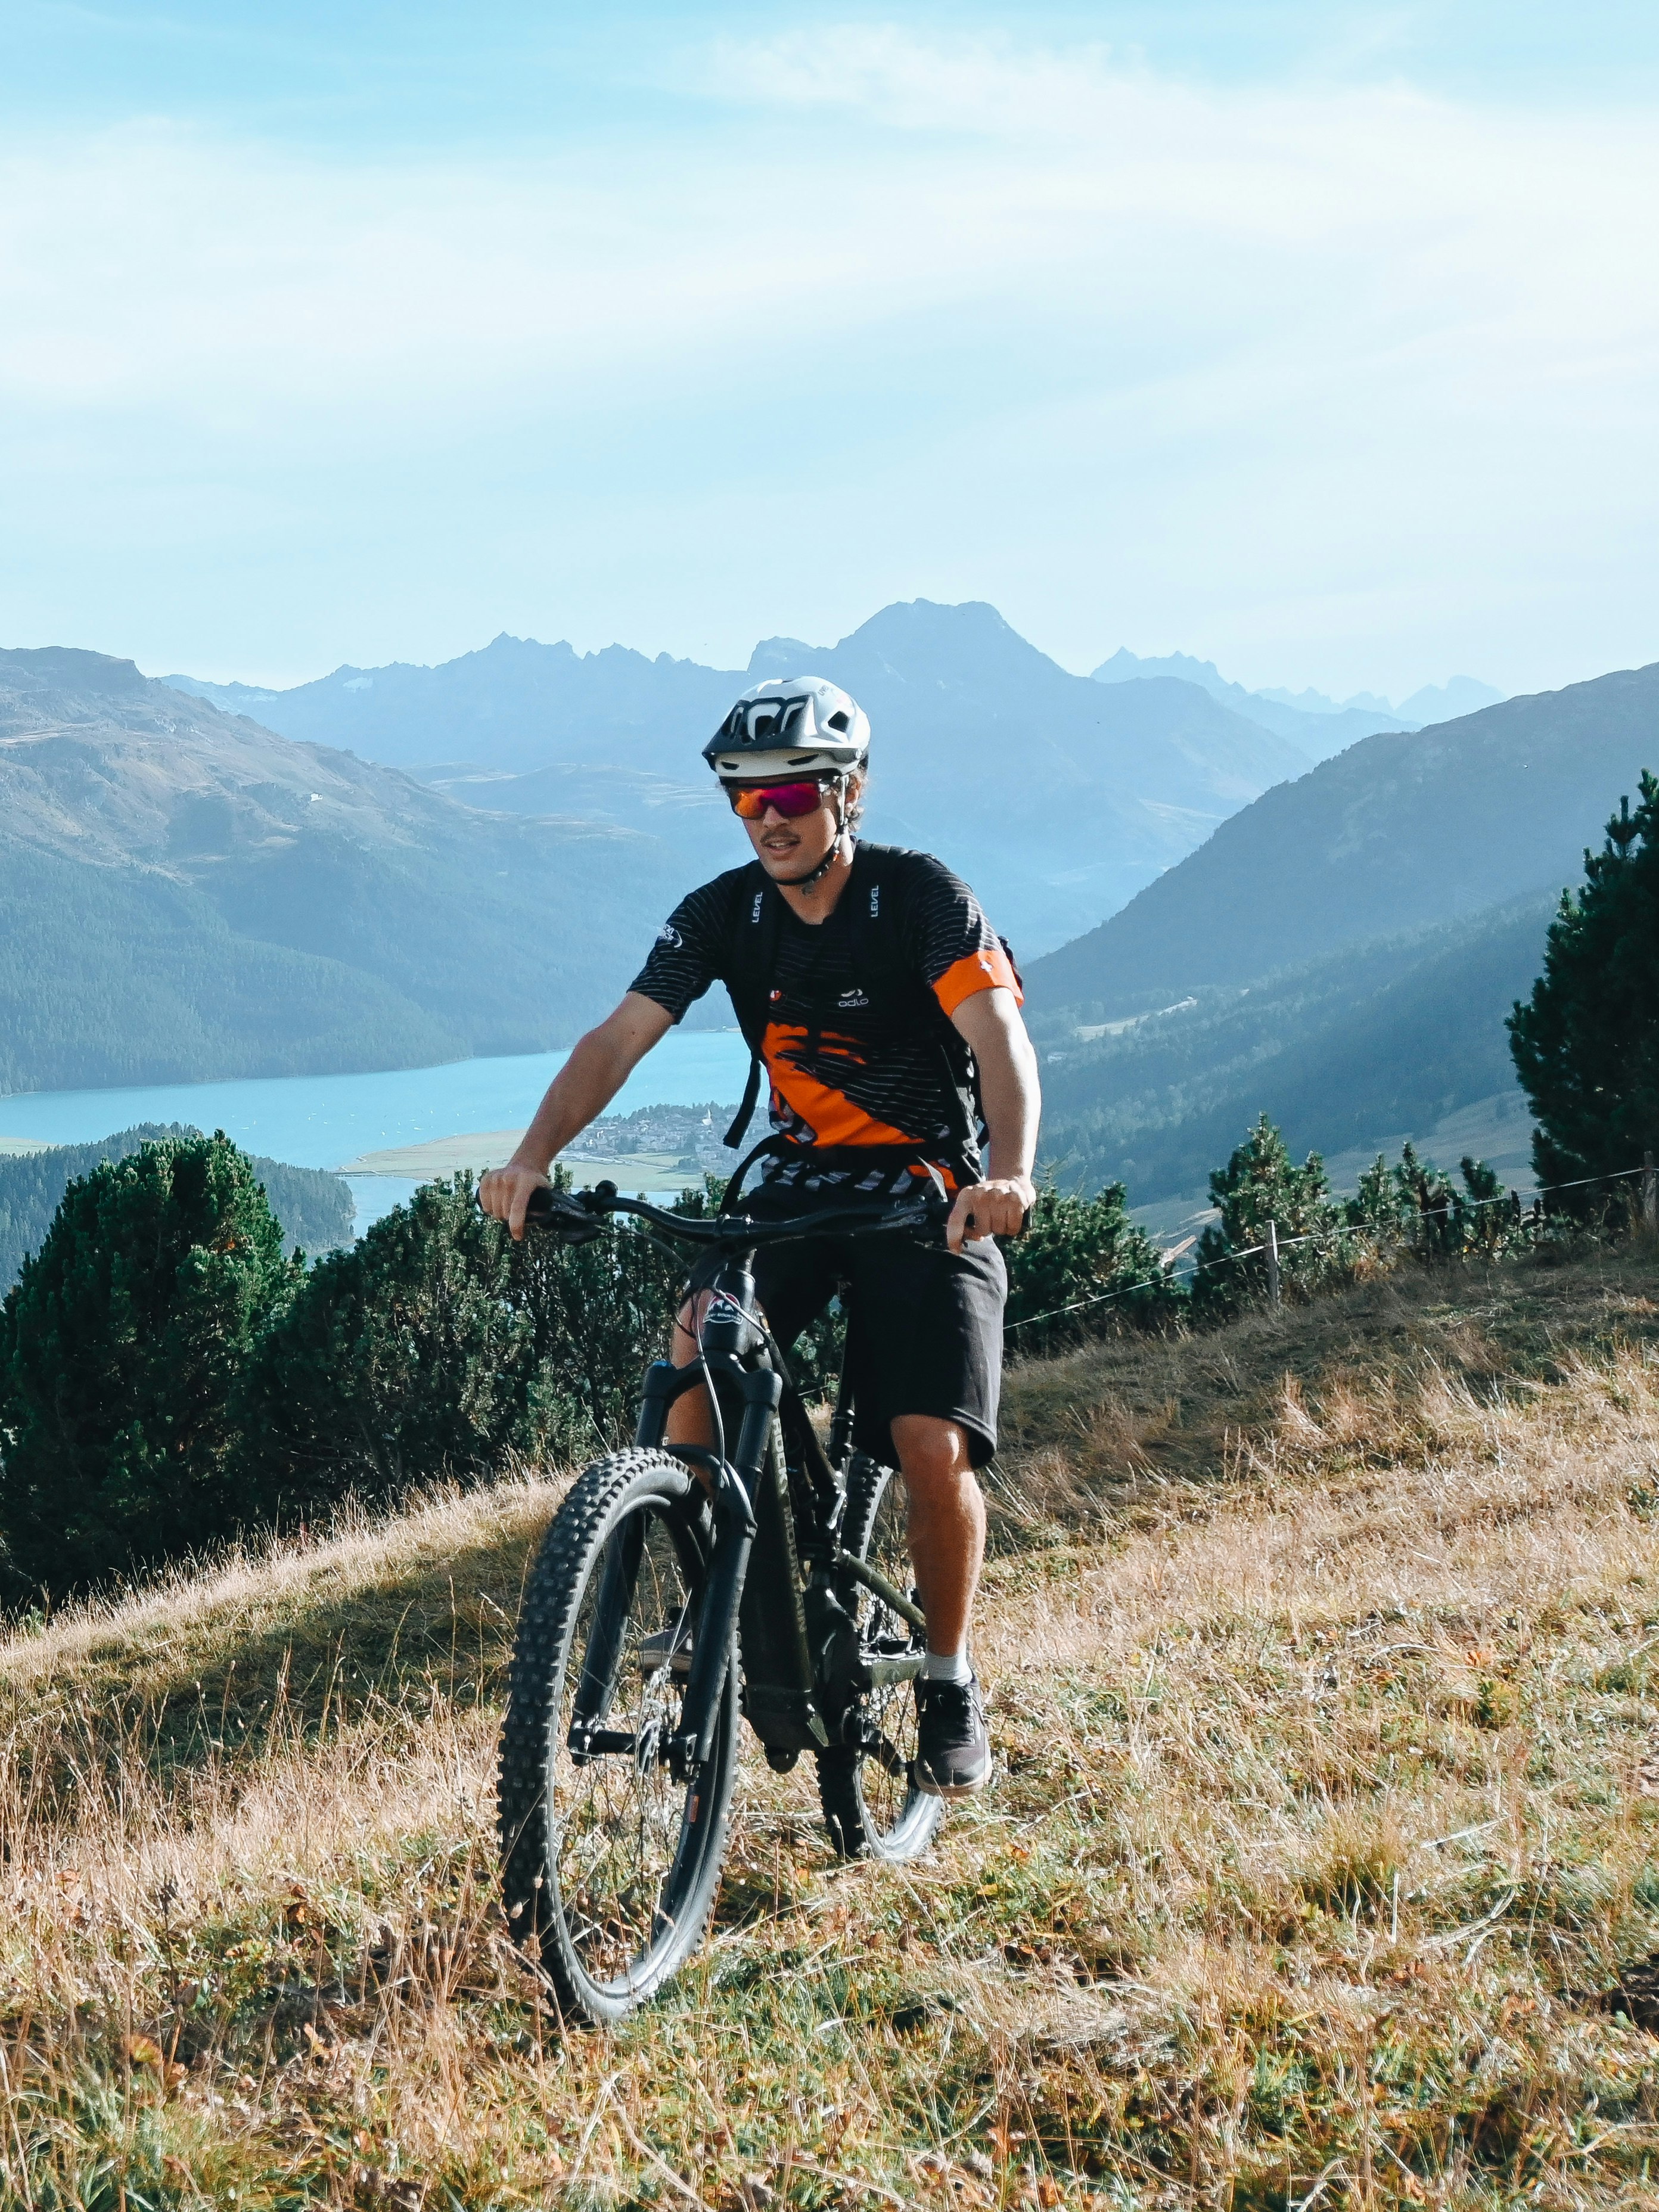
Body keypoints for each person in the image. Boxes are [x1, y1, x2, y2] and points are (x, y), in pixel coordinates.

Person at [480, 676, 1040, 1797]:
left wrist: (1011, 1170)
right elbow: (618, 1038)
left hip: (925, 1191)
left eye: (790, 792)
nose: (769, 817)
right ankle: (710, 1599)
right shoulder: (725, 913)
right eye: (746, 801)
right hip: (793, 1185)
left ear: (847, 792)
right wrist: (533, 1154)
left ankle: (945, 1673)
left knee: (932, 1447)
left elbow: (998, 1041)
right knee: (693, 1362)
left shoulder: (918, 897)